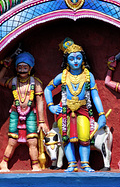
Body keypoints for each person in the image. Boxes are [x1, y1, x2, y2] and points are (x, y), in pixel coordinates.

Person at [44, 38, 107, 172]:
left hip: (83, 108)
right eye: (71, 59)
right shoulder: (63, 76)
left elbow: (95, 96)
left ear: (83, 59)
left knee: (84, 136)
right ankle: (71, 163)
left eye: (78, 58)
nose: (75, 61)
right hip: (65, 109)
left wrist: (101, 114)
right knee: (66, 137)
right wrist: (51, 106)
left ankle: (85, 164)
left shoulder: (88, 75)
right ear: (66, 61)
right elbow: (47, 89)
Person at [0, 52, 49, 172]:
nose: (22, 70)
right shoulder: (13, 81)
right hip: (15, 112)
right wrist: (6, 66)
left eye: (25, 67)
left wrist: (41, 122)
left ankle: (35, 165)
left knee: (32, 140)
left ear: (30, 68)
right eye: (20, 67)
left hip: (30, 113)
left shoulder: (36, 83)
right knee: (12, 140)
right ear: (16, 69)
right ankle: (4, 163)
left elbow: (40, 102)